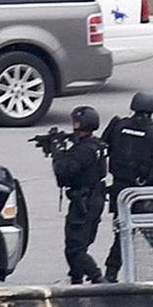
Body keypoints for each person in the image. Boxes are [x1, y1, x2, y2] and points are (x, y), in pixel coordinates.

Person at [102, 90, 153, 283]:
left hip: (120, 192)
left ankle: (110, 274)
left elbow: (103, 149)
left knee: (122, 234)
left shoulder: (118, 126)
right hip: (142, 192)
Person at [50, 106, 108, 285]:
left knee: (74, 249)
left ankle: (97, 277)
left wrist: (57, 152)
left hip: (84, 202)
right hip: (93, 199)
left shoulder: (84, 150)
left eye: (76, 122)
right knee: (79, 245)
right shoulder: (94, 145)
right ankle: (76, 278)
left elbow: (64, 171)